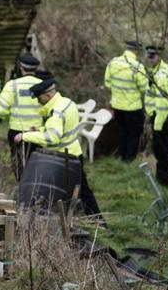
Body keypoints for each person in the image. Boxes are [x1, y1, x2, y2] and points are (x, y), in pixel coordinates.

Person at [14, 76, 103, 218]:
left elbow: (52, 138)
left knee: (57, 192)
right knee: (83, 191)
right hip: (75, 153)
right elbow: (63, 129)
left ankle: (72, 219)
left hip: (63, 159)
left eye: (39, 98)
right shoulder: (67, 103)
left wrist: (25, 136)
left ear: (47, 95)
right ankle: (98, 221)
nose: (38, 101)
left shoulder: (56, 113)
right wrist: (40, 130)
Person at [0, 54, 43, 180]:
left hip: (16, 132)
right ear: (35, 69)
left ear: (21, 68)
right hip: (37, 132)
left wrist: (6, 114)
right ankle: (34, 189)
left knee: (18, 162)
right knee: (35, 162)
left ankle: (21, 187)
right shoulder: (43, 85)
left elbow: (0, 110)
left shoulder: (12, 85)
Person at [104, 40, 149, 162]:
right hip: (133, 107)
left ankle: (121, 156)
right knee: (134, 134)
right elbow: (145, 87)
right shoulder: (137, 67)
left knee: (123, 132)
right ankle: (129, 160)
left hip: (117, 106)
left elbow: (107, 83)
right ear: (136, 51)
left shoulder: (113, 63)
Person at [146, 45, 168, 186]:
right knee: (162, 149)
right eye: (149, 56)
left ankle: (164, 181)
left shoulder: (161, 75)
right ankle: (163, 178)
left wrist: (157, 124)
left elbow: (163, 103)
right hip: (161, 116)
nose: (150, 59)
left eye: (153, 56)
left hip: (162, 118)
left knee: (162, 150)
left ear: (159, 56)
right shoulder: (158, 70)